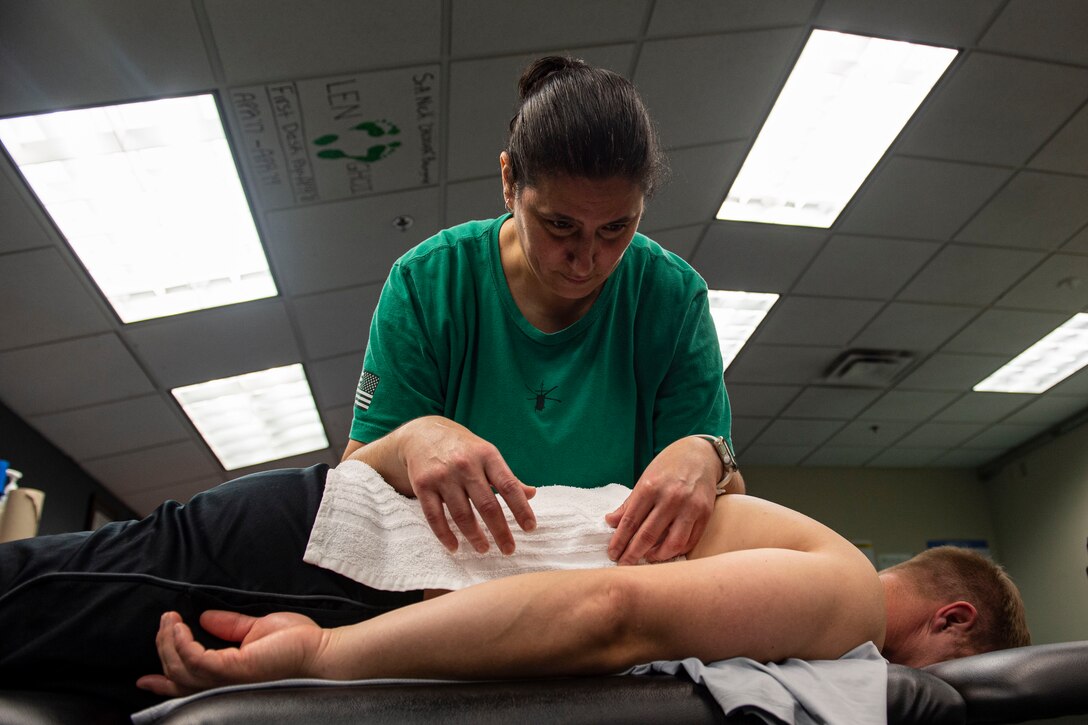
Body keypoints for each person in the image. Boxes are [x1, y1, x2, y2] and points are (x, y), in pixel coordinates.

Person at [132, 468, 1030, 697]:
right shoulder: (847, 599)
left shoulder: (814, 581)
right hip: (351, 573)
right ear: (951, 616)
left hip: (365, 582)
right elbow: (611, 611)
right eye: (945, 673)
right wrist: (325, 655)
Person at [341, 54, 742, 566]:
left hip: (618, 587)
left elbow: (728, 504)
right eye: (560, 225)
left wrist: (709, 457)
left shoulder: (672, 297)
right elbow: (354, 480)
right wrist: (410, 440)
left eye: (616, 228)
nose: (587, 259)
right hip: (462, 581)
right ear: (509, 181)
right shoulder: (428, 283)